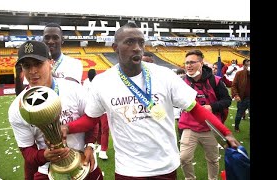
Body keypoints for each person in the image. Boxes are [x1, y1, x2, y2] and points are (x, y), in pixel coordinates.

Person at [61, 22, 239, 180]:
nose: (137, 47)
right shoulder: (103, 82)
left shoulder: (164, 75)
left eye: (140, 42)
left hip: (164, 167)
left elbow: (195, 108)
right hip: (128, 170)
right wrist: (68, 128)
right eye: (129, 42)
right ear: (115, 47)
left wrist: (225, 132)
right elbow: (91, 118)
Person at [8, 40, 103, 180]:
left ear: (51, 63)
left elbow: (92, 120)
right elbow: (27, 150)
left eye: (38, 64)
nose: (33, 71)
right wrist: (44, 155)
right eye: (27, 66)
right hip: (49, 170)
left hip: (84, 163)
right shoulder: (17, 108)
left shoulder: (74, 89)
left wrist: (89, 145)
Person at [179, 49, 232, 180]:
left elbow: (227, 100)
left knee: (213, 159)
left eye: (192, 62)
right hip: (189, 126)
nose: (188, 65)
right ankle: (190, 178)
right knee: (184, 158)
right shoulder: (181, 82)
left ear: (201, 63)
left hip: (210, 127)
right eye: (186, 63)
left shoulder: (216, 81)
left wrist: (211, 107)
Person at [15, 22, 83, 96]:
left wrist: (48, 73)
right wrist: (18, 78)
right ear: (43, 40)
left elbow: (71, 89)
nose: (50, 41)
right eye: (47, 38)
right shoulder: (31, 65)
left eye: (55, 38)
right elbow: (23, 95)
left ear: (62, 40)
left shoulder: (74, 63)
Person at [83, 69, 110, 160]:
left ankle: (103, 150)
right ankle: (99, 144)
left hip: (103, 109)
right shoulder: (86, 82)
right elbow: (85, 95)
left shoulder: (101, 82)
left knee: (104, 129)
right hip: (91, 108)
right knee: (96, 128)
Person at [231, 59, 250, 133]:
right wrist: (236, 95)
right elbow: (234, 85)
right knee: (239, 114)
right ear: (244, 66)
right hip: (242, 98)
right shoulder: (239, 74)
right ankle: (236, 127)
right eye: (247, 65)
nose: (248, 66)